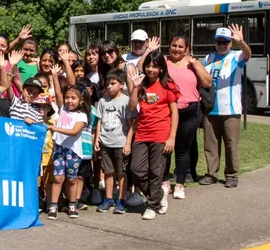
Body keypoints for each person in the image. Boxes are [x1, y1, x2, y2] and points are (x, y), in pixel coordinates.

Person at [128, 51, 179, 221]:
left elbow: (175, 113)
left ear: (161, 68)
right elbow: (132, 107)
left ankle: (151, 206)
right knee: (137, 170)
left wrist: (171, 137)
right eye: (148, 66)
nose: (150, 69)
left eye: (154, 66)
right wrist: (135, 87)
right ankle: (158, 195)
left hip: (161, 134)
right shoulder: (141, 85)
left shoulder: (168, 85)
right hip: (142, 133)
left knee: (155, 171)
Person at [200, 25, 252, 189]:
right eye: (219, 42)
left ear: (230, 43)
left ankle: (231, 175)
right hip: (210, 109)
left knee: (231, 144)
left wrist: (241, 42)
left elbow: (247, 54)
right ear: (215, 42)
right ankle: (211, 174)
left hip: (230, 110)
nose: (222, 45)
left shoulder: (236, 56)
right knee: (210, 144)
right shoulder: (208, 58)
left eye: (226, 42)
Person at [165, 35, 213, 199]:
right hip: (168, 111)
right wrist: (149, 50)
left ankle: (179, 184)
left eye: (180, 46)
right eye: (174, 45)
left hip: (190, 111)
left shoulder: (193, 64)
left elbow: (207, 83)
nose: (176, 49)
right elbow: (145, 69)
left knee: (183, 149)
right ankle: (165, 182)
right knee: (166, 148)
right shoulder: (164, 62)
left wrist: (195, 64)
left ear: (187, 49)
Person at [45, 81, 90, 219]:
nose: (69, 101)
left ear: (81, 101)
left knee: (71, 179)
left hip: (73, 152)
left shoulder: (82, 116)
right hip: (59, 149)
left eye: (73, 98)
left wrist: (55, 128)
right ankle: (53, 205)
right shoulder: (63, 108)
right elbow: (58, 93)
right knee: (58, 178)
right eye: (67, 97)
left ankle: (72, 204)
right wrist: (54, 76)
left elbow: (74, 132)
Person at [95, 68, 132, 214]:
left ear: (121, 84)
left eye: (113, 83)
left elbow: (130, 125)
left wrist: (128, 143)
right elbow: (99, 121)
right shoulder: (103, 101)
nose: (109, 87)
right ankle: (108, 199)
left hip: (120, 143)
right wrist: (97, 139)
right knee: (108, 171)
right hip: (106, 142)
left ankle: (121, 200)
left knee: (121, 172)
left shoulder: (126, 101)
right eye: (107, 84)